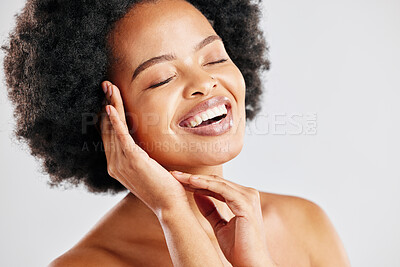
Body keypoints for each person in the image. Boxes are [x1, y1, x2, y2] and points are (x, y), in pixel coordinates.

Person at [2, 0, 351, 266]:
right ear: (110, 119)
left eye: (214, 59)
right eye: (162, 79)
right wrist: (174, 213)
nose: (203, 83)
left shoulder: (303, 224)